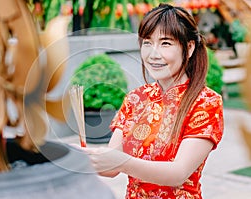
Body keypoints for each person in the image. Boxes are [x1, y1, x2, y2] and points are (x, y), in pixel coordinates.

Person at [81, 3, 224, 199]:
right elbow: (111, 168)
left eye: (165, 43)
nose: (153, 54)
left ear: (189, 47)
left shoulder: (206, 102)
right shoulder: (135, 99)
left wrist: (122, 162)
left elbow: (177, 174)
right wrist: (76, 156)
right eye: (147, 43)